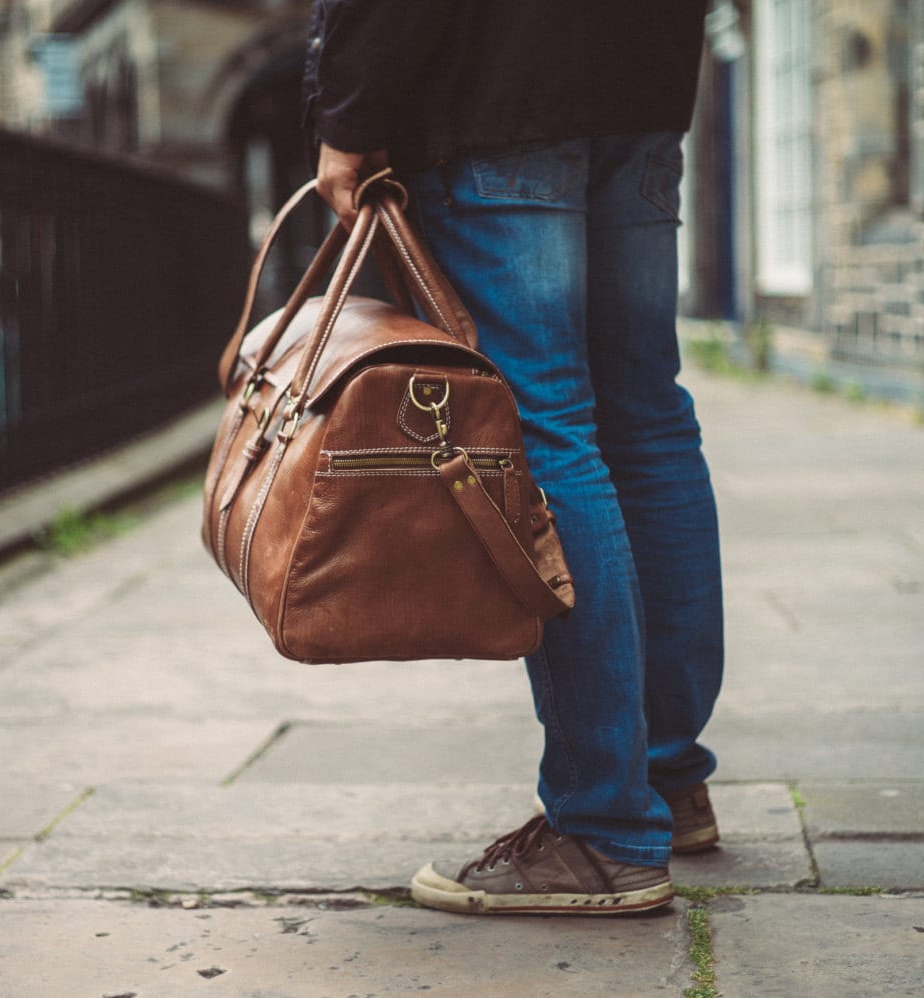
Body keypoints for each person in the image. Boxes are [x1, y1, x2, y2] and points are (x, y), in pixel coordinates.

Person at [305, 0, 724, 915]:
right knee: (647, 420)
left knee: (548, 429)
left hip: (496, 85)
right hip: (641, 71)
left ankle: (606, 831)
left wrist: (351, 115)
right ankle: (666, 778)